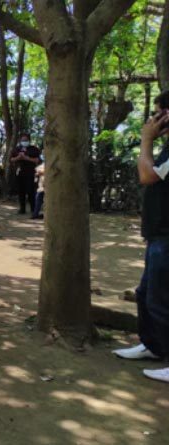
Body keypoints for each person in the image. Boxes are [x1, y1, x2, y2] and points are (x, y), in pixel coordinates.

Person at [112, 91, 169, 383]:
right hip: (157, 234)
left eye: (158, 114)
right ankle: (154, 346)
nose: (152, 120)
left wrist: (146, 139)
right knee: (147, 294)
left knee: (162, 300)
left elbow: (146, 176)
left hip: (166, 237)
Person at [10, 134, 41, 214]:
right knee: (21, 191)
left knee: (31, 191)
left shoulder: (34, 149)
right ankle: (22, 209)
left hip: (31, 173)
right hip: (20, 173)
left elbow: (37, 160)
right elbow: (12, 159)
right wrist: (18, 157)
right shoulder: (17, 149)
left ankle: (33, 209)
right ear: (20, 141)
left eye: (26, 140)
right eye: (23, 140)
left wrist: (26, 158)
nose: (24, 142)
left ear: (29, 140)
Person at [32, 152, 46, 219]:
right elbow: (37, 172)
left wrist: (41, 172)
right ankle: (35, 214)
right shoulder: (41, 165)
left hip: (49, 187)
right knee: (38, 200)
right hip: (41, 187)